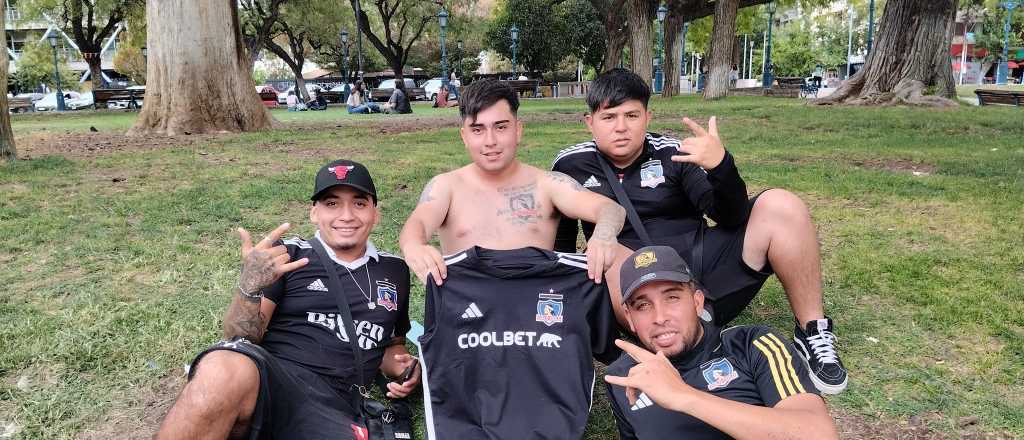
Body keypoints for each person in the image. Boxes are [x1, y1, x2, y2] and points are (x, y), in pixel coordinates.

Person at [551, 68, 847, 394]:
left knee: (782, 205)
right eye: (609, 117)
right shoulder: (570, 165)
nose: (621, 127)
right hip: (631, 286)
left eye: (631, 115)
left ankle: (812, 331)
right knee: (609, 254)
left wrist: (721, 165)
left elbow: (730, 216)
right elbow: (559, 246)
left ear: (648, 117)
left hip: (701, 271)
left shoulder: (673, 152)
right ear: (589, 121)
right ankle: (679, 355)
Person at [155, 160, 420, 440]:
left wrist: (404, 368)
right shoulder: (288, 255)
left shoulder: (395, 270)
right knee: (221, 368)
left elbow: (391, 346)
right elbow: (239, 337)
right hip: (275, 380)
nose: (346, 215)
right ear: (314, 213)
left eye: (359, 203)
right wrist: (249, 287)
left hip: (338, 403)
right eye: (331, 204)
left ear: (375, 214)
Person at [399, 78, 626, 287]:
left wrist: (603, 235)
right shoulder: (446, 187)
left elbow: (610, 209)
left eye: (501, 127)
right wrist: (414, 247)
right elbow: (417, 224)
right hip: (468, 313)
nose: (490, 141)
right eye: (478, 130)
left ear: (518, 130)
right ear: (464, 137)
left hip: (532, 310)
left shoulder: (547, 185)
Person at [603, 246, 839, 440]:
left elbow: (818, 433)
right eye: (642, 306)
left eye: (672, 297)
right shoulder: (623, 377)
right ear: (630, 318)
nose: (660, 317)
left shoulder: (752, 345)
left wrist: (684, 396)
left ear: (697, 302)